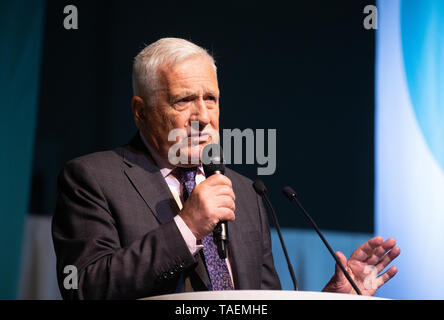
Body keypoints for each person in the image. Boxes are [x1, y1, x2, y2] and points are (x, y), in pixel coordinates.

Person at [52, 38, 400, 300]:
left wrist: (332, 297)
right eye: (184, 100)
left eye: (211, 99)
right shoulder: (93, 178)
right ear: (140, 111)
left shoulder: (246, 193)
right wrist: (188, 227)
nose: (203, 117)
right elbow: (84, 287)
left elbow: (260, 303)